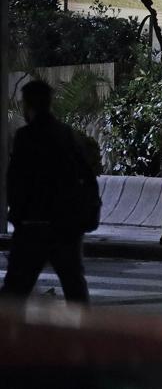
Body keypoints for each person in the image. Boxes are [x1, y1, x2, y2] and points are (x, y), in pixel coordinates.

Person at [1, 80, 98, 305]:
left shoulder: (26, 136)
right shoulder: (65, 134)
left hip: (33, 225)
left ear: (28, 105)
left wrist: (17, 215)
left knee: (15, 289)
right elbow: (87, 175)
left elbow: (16, 179)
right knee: (74, 286)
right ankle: (83, 326)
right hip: (65, 225)